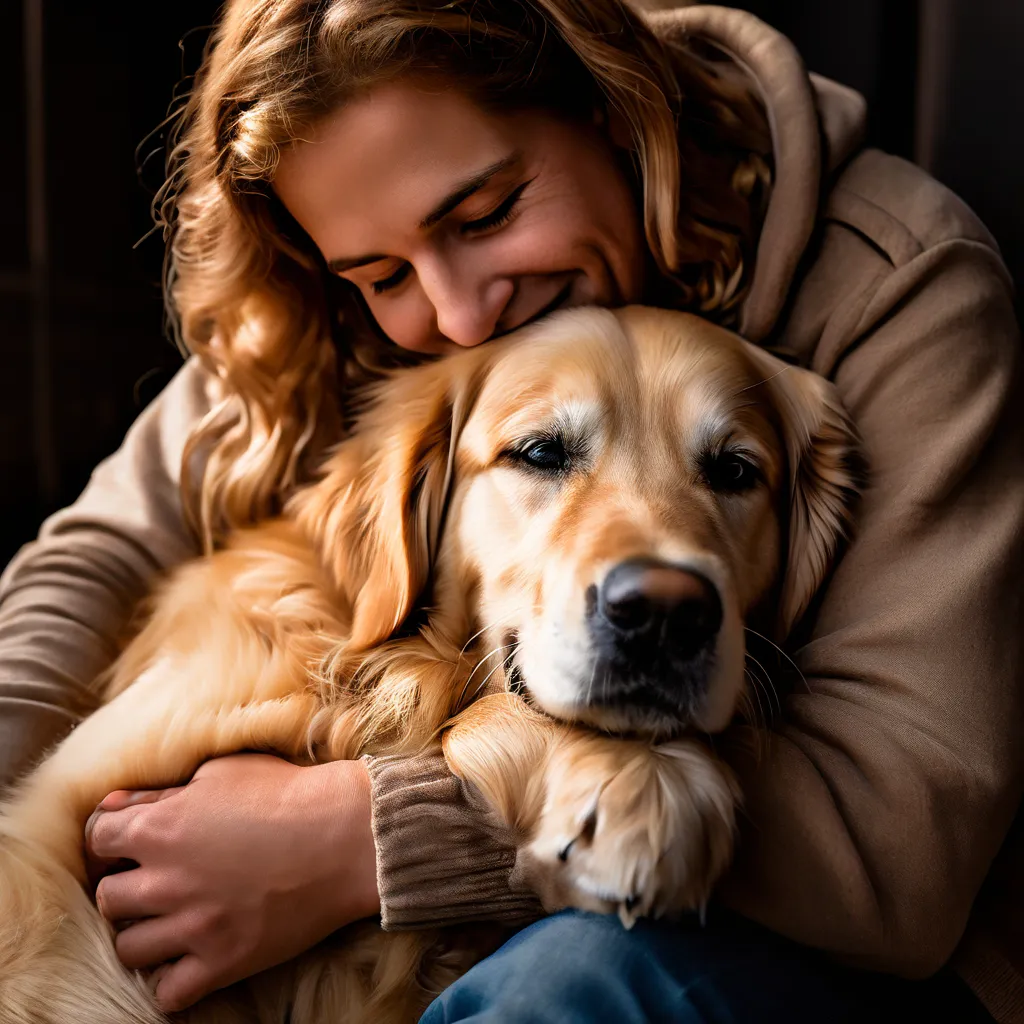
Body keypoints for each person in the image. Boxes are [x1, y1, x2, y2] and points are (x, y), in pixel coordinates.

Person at [1, 0, 1021, 1020]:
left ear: (613, 113)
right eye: (385, 273)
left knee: (572, 979)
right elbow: (92, 564)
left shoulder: (898, 287)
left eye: (484, 215)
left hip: (804, 954)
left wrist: (368, 840)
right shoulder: (349, 319)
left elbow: (903, 857)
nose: (457, 315)